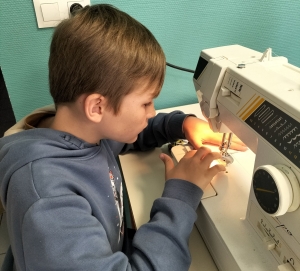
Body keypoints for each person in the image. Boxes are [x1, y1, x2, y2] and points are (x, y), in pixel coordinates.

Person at [0, 4, 245, 271]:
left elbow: (129, 135)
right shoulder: (48, 200)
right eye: (146, 103)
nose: (152, 112)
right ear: (97, 107)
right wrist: (181, 195)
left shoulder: (83, 129)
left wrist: (182, 123)